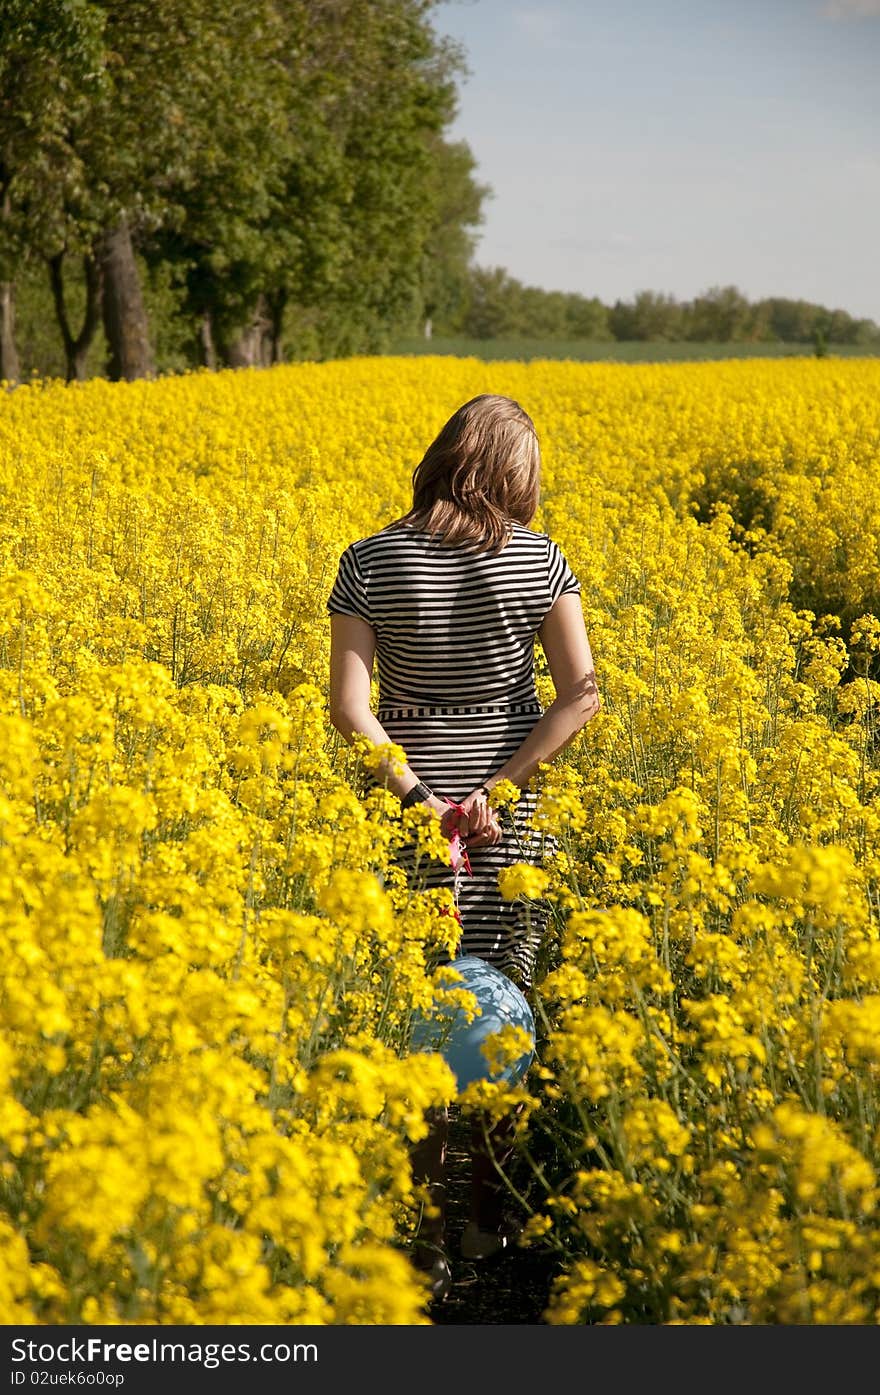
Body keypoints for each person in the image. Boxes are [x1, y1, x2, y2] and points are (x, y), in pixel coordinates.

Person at [326, 392, 600, 1301]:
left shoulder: (370, 559)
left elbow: (351, 710)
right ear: (517, 475)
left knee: (414, 1007)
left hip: (408, 811)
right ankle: (485, 1220)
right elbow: (580, 695)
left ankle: (419, 1231)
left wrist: (419, 797)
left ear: (441, 456)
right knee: (502, 1006)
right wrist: (499, 791)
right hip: (506, 816)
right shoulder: (539, 559)